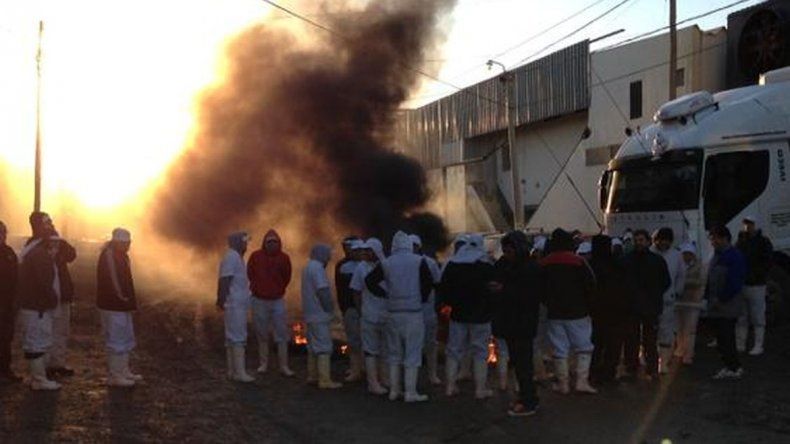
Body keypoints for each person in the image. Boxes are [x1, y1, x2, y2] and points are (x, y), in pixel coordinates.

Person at [366, 231, 433, 402]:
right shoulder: (419, 261)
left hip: (393, 314)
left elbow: (369, 281)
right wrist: (421, 298)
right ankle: (410, 392)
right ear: (409, 245)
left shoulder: (386, 263)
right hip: (413, 314)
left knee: (394, 354)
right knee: (412, 354)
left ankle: (394, 391)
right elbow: (428, 283)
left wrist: (385, 294)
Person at [438, 233, 497, 399]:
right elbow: (494, 290)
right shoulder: (486, 267)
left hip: (458, 315)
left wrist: (451, 305)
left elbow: (444, 290)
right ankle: (480, 389)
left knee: (454, 350)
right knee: (480, 352)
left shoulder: (453, 266)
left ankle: (450, 386)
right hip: (481, 316)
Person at [540, 228, 597, 394]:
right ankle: (581, 382)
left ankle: (563, 384)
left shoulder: (545, 263)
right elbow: (591, 285)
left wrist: (549, 303)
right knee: (584, 347)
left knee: (560, 349)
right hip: (578, 312)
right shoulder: (579, 262)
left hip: (554, 314)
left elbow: (539, 289)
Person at [491, 231, 542, 417]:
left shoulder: (530, 268)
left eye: (510, 250)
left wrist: (504, 289)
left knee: (524, 365)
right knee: (518, 363)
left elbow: (530, 295)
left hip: (523, 322)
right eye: (504, 251)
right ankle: (524, 396)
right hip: (509, 321)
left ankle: (528, 400)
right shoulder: (505, 265)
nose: (507, 254)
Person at [20, 212, 77, 378]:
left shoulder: (56, 242)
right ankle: (42, 369)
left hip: (61, 294)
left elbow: (72, 255)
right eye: (47, 222)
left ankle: (56, 363)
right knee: (44, 332)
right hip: (45, 298)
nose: (51, 224)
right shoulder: (34, 246)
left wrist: (59, 245)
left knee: (61, 330)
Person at [622, 229, 670, 380]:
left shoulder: (655, 261)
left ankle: (651, 368)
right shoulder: (628, 260)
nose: (638, 243)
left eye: (641, 240)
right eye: (636, 240)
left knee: (649, 340)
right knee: (632, 339)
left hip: (648, 306)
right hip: (636, 306)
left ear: (649, 241)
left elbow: (665, 282)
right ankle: (633, 367)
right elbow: (665, 282)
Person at [97, 228, 141, 387]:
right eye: (126, 243)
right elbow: (115, 282)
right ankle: (115, 375)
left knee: (125, 338)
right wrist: (123, 299)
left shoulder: (121, 255)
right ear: (118, 242)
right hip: (113, 305)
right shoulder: (109, 256)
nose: (128, 246)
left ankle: (123, 370)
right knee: (116, 340)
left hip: (122, 305)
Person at [247, 229, 294, 376]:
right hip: (259, 300)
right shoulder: (255, 256)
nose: (272, 245)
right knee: (262, 333)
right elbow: (250, 274)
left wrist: (277, 289)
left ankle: (284, 366)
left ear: (279, 243)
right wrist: (259, 288)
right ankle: (263, 364)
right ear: (264, 243)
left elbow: (287, 276)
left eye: (274, 242)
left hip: (277, 300)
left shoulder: (284, 258)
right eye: (269, 242)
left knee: (282, 333)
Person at [17, 236, 62, 390]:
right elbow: (45, 283)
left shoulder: (35, 254)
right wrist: (52, 300)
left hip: (33, 306)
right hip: (37, 308)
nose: (57, 246)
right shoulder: (41, 257)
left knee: (33, 341)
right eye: (54, 242)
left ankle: (35, 375)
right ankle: (39, 379)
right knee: (37, 341)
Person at [705, 225, 747, 380]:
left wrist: (720, 299)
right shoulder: (717, 255)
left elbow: (734, 282)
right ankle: (728, 365)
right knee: (721, 339)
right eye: (711, 238)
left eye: (714, 238)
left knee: (726, 337)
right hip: (716, 304)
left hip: (727, 305)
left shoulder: (734, 256)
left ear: (724, 238)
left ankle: (734, 367)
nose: (712, 242)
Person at [589, 235, 630, 384]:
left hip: (595, 311)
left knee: (596, 343)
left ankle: (592, 371)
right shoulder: (619, 264)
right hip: (617, 310)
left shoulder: (590, 265)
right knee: (613, 344)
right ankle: (608, 372)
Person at [350, 238, 388, 395]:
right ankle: (373, 383)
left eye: (369, 250)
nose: (365, 253)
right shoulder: (361, 268)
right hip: (369, 315)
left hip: (387, 314)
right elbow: (356, 291)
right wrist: (361, 311)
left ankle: (386, 379)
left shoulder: (387, 266)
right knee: (370, 350)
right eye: (364, 250)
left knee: (386, 349)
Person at [302, 243, 342, 389]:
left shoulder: (307, 267)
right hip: (319, 314)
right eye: (328, 255)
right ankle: (324, 380)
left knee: (313, 346)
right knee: (324, 347)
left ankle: (312, 376)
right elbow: (322, 292)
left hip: (310, 314)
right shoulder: (317, 269)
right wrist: (331, 310)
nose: (329, 259)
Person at [217, 231, 255, 383]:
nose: (246, 244)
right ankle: (240, 373)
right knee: (238, 337)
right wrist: (221, 299)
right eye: (245, 241)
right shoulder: (232, 257)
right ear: (238, 242)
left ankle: (232, 371)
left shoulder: (236, 257)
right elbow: (225, 280)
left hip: (236, 304)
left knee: (232, 337)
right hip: (235, 305)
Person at [735, 216, 773, 355]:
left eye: (750, 223)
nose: (747, 226)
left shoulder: (763, 242)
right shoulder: (741, 241)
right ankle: (741, 343)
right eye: (746, 223)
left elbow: (767, 262)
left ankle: (758, 344)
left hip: (756, 284)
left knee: (757, 317)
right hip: (744, 283)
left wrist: (757, 274)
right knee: (742, 316)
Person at [650, 228, 686, 374]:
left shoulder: (676, 256)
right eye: (661, 240)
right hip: (649, 300)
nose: (663, 243)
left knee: (666, 331)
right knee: (649, 331)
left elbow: (681, 276)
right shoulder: (649, 253)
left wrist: (677, 291)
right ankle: (648, 358)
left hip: (668, 300)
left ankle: (663, 362)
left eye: (666, 241)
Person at [410, 234, 443, 387]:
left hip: (427, 310)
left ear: (419, 246)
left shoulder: (430, 263)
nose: (411, 249)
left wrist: (437, 306)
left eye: (414, 246)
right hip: (410, 310)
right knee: (411, 346)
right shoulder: (404, 264)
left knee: (430, 344)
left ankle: (433, 375)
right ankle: (412, 379)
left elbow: (437, 283)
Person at [335, 237, 364, 382]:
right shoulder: (343, 266)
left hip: (366, 310)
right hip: (351, 309)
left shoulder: (366, 266)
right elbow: (343, 290)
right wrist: (344, 308)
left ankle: (363, 368)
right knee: (354, 341)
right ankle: (355, 369)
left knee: (367, 341)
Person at [674, 241, 705, 365]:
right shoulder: (678, 264)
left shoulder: (699, 265)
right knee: (679, 329)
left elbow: (700, 282)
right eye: (684, 253)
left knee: (690, 330)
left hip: (693, 302)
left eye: (689, 253)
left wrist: (683, 282)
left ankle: (688, 354)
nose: (686, 256)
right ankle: (680, 349)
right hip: (679, 301)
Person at [0, 221, 20, 383]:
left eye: (3, 233)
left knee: (6, 338)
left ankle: (5, 370)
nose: (2, 236)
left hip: (7, 303)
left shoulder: (9, 252)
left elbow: (16, 277)